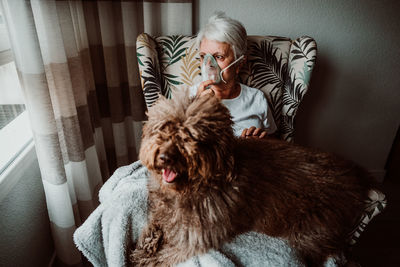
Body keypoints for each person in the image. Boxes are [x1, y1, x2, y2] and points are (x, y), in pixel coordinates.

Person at [188, 11, 277, 138]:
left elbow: (275, 140)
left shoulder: (257, 99)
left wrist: (259, 141)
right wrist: (196, 108)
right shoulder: (188, 97)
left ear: (239, 63)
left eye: (218, 57)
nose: (209, 64)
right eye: (203, 56)